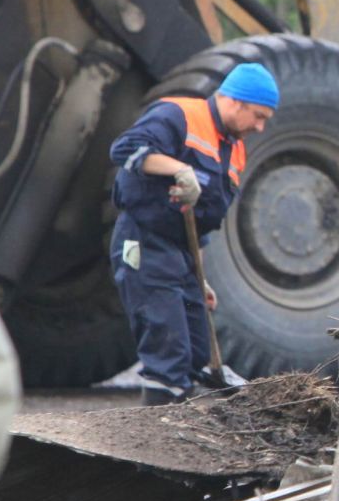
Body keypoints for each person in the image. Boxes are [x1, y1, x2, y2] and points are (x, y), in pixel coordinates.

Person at [108, 63, 279, 404]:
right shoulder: (179, 115)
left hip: (182, 252)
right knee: (167, 352)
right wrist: (179, 169)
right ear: (235, 102)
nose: (260, 127)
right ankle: (157, 444)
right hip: (144, 242)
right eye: (258, 116)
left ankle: (184, 423)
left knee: (198, 350)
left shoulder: (234, 148)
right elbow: (124, 150)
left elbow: (201, 221)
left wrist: (199, 277)